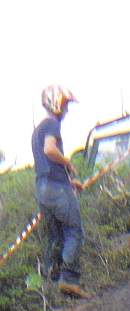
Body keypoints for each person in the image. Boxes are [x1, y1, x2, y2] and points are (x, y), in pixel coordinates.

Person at [31, 84, 89, 298]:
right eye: (65, 105)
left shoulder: (37, 130)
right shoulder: (52, 125)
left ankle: (52, 283)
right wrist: (69, 163)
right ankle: (70, 280)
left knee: (56, 237)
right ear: (57, 104)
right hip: (57, 189)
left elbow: (46, 164)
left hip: (43, 188)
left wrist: (71, 182)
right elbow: (50, 150)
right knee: (74, 231)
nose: (66, 110)